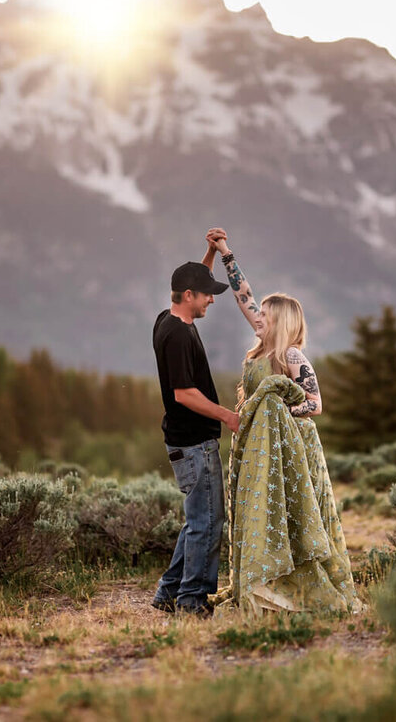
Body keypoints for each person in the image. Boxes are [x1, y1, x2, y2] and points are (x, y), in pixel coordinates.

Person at [206, 227, 359, 614]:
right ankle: (265, 582)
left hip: (291, 445)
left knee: (291, 514)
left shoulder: (291, 356)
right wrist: (225, 253)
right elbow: (244, 295)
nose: (258, 317)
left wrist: (276, 414)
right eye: (259, 314)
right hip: (260, 446)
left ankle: (296, 587)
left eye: (266, 316)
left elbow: (315, 404)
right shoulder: (259, 350)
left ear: (281, 322)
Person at [150, 245, 240, 617]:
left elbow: (191, 280)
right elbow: (184, 394)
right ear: (189, 297)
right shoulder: (178, 337)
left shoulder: (168, 319)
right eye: (206, 295)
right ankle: (192, 602)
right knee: (207, 523)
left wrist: (209, 255)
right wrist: (228, 417)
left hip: (187, 443)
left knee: (197, 520)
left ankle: (169, 593)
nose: (211, 302)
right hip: (194, 445)